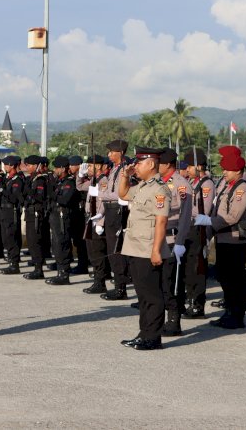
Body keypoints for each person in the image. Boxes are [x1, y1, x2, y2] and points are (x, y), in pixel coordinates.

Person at [118, 147, 171, 351]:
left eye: (139, 163)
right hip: (135, 247)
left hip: (148, 248)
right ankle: (144, 333)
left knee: (152, 296)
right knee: (142, 296)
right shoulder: (142, 186)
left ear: (151, 164)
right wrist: (125, 176)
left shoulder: (159, 189)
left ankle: (153, 337)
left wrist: (156, 250)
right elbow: (123, 194)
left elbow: (161, 222)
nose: (136, 166)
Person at [195, 152, 246, 329]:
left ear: (238, 171)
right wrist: (208, 235)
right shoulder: (228, 187)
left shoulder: (242, 188)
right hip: (222, 238)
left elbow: (232, 216)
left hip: (234, 239)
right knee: (225, 279)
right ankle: (228, 312)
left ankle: (237, 315)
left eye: (229, 169)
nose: (225, 172)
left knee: (235, 280)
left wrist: (209, 221)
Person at [155, 148, 193, 336]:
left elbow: (185, 216)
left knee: (171, 283)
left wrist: (180, 241)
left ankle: (174, 321)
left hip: (172, 240)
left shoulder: (181, 184)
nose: (155, 166)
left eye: (159, 163)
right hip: (158, 240)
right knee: (160, 283)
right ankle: (161, 319)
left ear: (168, 164)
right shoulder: (157, 182)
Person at [183, 148, 214, 319]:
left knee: (198, 268)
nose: (187, 170)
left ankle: (198, 304)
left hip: (198, 229)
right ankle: (190, 299)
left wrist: (185, 211)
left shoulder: (206, 184)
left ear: (199, 167)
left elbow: (205, 210)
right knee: (189, 268)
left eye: (190, 166)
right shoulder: (194, 182)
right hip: (190, 229)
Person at [98, 139, 131, 300]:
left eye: (112, 151)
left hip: (119, 212)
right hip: (110, 211)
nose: (109, 154)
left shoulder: (125, 169)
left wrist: (101, 195)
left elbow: (120, 193)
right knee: (112, 250)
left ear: (121, 152)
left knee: (117, 250)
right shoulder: (114, 169)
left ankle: (121, 288)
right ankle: (118, 284)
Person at [77, 154, 111, 294]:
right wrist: (80, 175)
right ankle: (97, 281)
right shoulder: (92, 181)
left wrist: (100, 222)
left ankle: (100, 282)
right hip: (90, 219)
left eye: (90, 166)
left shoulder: (103, 181)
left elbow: (104, 202)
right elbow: (79, 187)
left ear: (97, 166)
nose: (88, 168)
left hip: (97, 220)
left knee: (97, 253)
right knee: (92, 252)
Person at [46, 156, 77, 285]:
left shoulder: (69, 182)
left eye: (57, 167)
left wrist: (52, 192)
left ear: (63, 168)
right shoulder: (60, 182)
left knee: (62, 245)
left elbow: (65, 200)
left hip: (63, 218)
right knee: (56, 245)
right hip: (56, 217)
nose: (55, 170)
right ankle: (60, 272)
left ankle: (64, 274)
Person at [22, 155, 49, 280]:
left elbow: (39, 197)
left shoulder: (40, 179)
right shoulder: (31, 178)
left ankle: (39, 269)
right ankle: (36, 266)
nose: (27, 167)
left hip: (36, 214)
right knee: (31, 241)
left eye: (29, 165)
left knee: (35, 241)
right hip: (30, 213)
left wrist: (29, 193)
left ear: (35, 166)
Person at [0, 156, 24, 275]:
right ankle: (11, 261)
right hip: (4, 211)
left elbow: (14, 198)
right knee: (5, 237)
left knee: (11, 237)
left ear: (12, 165)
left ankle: (14, 264)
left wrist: (3, 190)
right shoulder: (7, 178)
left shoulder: (17, 180)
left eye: (7, 165)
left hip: (11, 212)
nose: (5, 167)